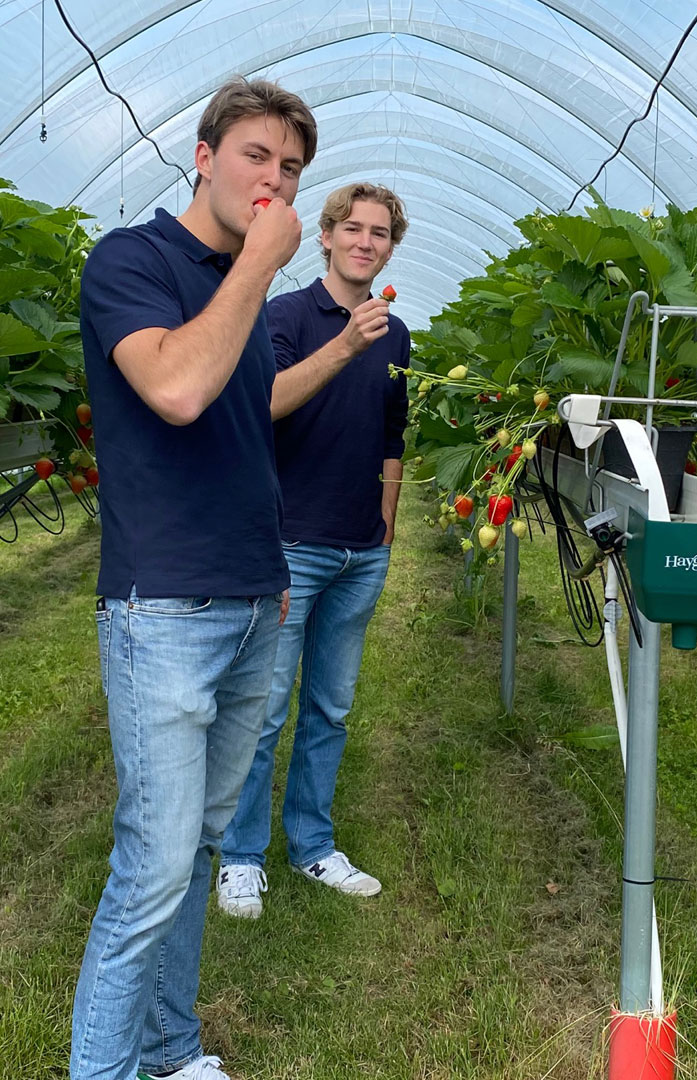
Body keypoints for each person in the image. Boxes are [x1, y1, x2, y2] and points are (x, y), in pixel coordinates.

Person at [71, 76, 315, 1080]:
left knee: (201, 853)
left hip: (255, 600)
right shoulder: (130, 261)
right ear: (204, 153)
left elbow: (240, 428)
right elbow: (175, 388)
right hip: (164, 609)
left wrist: (272, 575)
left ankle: (171, 1053)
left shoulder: (240, 297)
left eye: (293, 167)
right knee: (153, 869)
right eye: (257, 156)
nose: (276, 180)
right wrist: (258, 265)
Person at [216, 182, 410, 917]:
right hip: (292, 543)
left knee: (330, 708)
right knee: (263, 710)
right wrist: (344, 343)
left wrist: (387, 516)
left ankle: (312, 846)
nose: (366, 241)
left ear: (392, 246)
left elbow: (393, 431)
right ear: (324, 237)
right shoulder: (286, 317)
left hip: (362, 550)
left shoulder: (395, 333)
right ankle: (239, 857)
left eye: (380, 232)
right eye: (352, 228)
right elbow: (263, 404)